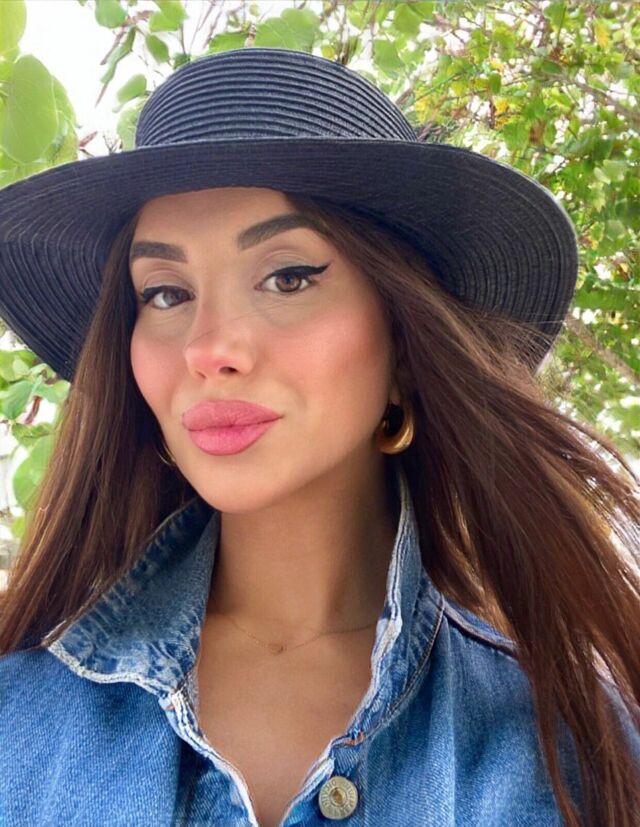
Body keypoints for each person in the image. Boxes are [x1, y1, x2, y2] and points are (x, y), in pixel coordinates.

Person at [0, 46, 638, 827]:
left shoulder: (576, 746)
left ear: (405, 343)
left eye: (289, 277)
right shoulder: (17, 719)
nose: (208, 347)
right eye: (165, 292)